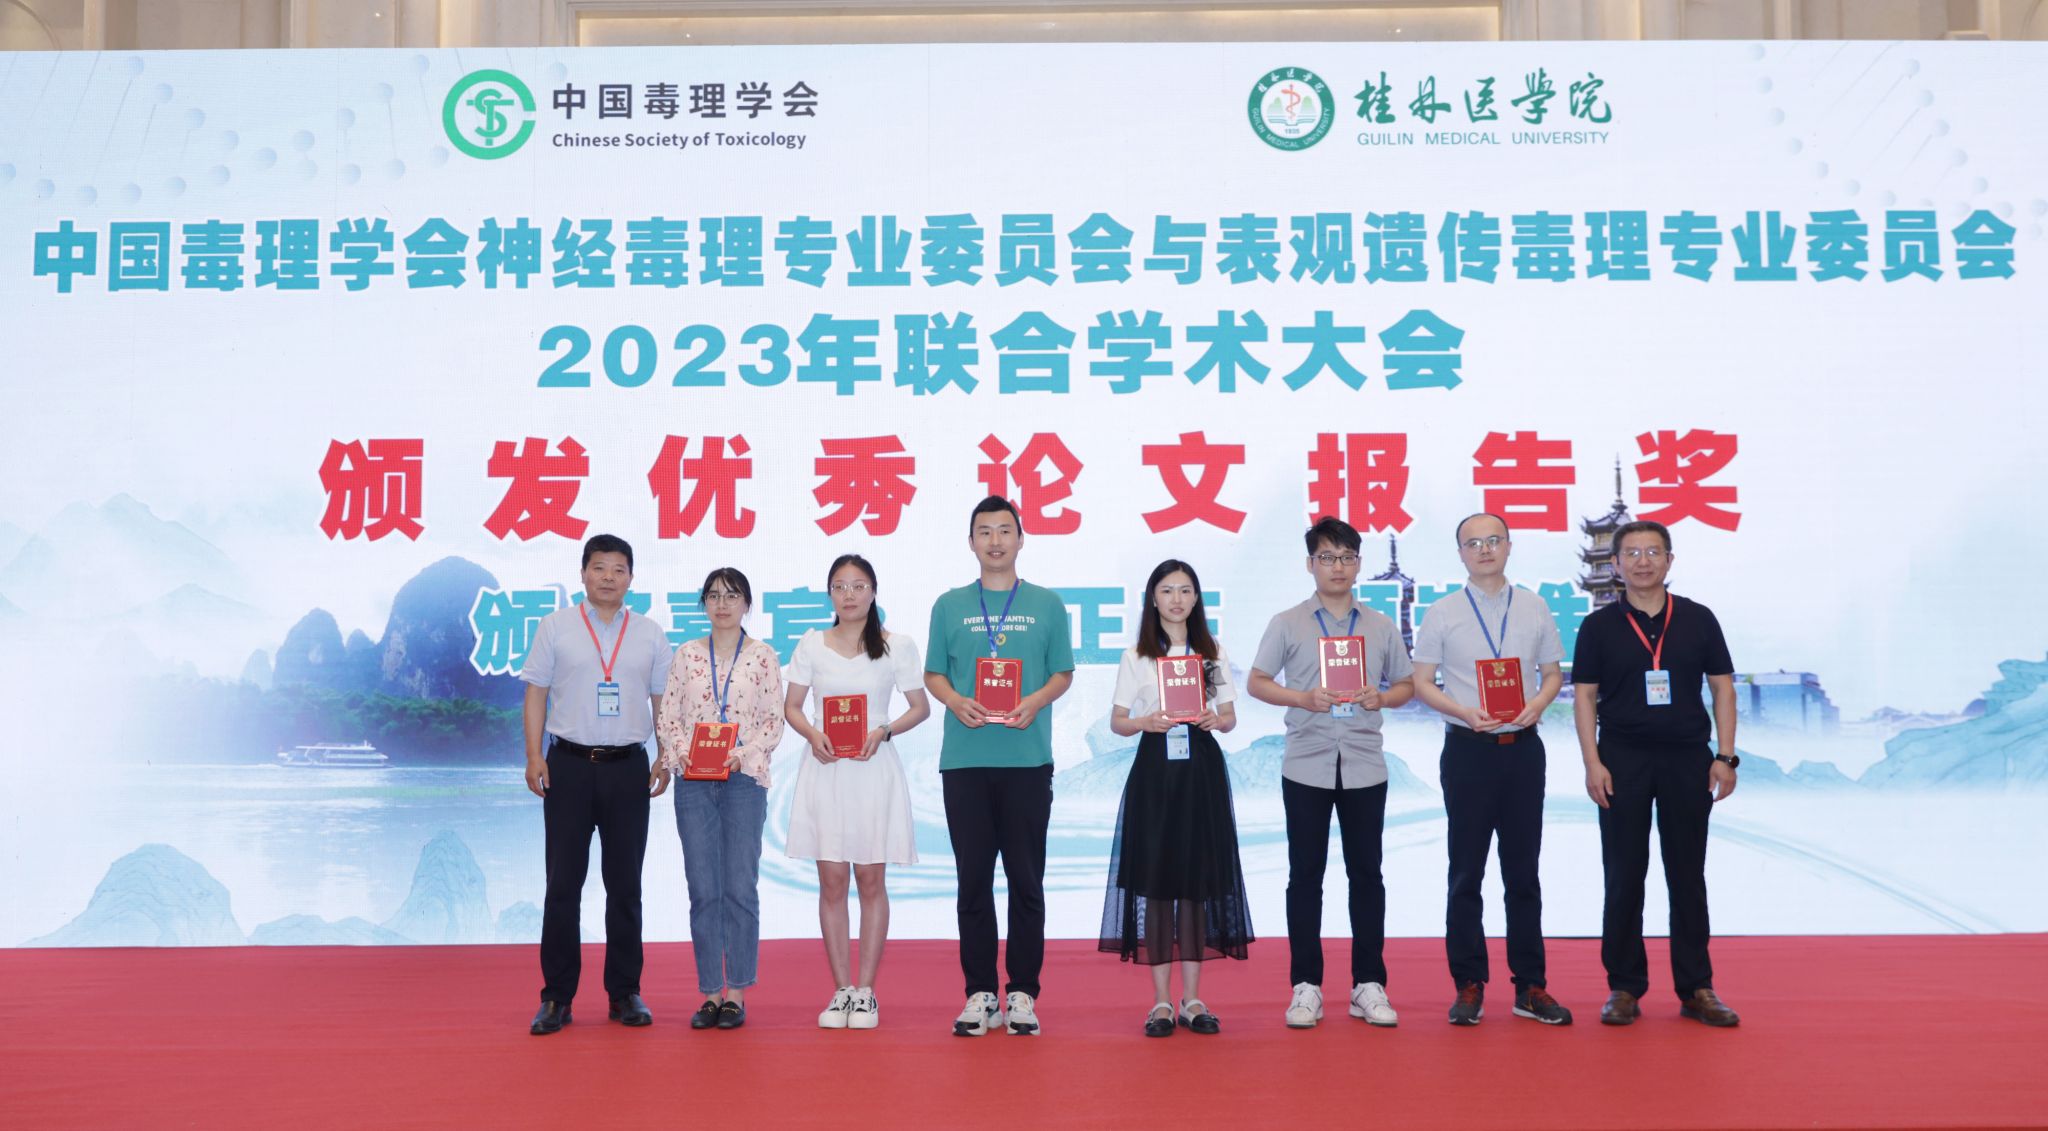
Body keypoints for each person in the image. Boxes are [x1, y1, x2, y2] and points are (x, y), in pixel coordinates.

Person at [1248, 516, 1416, 1030]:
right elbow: (1257, 681)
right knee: (1305, 877)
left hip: (1365, 762)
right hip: (1306, 763)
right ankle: (1306, 986)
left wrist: (1381, 697)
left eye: (1346, 557)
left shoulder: (1380, 626)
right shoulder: (1287, 622)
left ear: (1359, 564)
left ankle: (1368, 983)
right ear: (1310, 564)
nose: (1337, 567)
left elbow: (1406, 685)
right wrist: (1302, 698)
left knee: (1367, 875)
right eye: (1327, 557)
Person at [1572, 520, 1742, 1028]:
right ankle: (1624, 987)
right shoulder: (1598, 626)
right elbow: (1584, 697)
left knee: (1687, 873)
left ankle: (1697, 986)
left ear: (1669, 560)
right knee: (1624, 874)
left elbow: (1723, 688)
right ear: (1615, 564)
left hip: (1688, 758)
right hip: (1621, 759)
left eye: (1653, 552)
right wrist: (1592, 762)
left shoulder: (1698, 618)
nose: (1642, 561)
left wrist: (1726, 756)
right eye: (1632, 553)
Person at [1410, 514, 1571, 1027]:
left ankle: (1530, 986)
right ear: (1460, 553)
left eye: (1493, 540)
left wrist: (1537, 705)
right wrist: (1462, 710)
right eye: (1473, 543)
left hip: (1523, 750)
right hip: (1468, 751)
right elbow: (1422, 682)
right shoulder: (1442, 612)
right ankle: (1469, 983)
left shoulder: (1534, 606)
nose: (1484, 550)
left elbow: (1552, 673)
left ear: (1509, 546)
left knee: (1523, 873)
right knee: (1466, 872)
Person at [924, 496, 1075, 1036]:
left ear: (1020, 539)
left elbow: (1062, 672)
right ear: (971, 542)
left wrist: (1035, 700)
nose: (995, 541)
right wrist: (953, 700)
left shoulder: (1047, 604)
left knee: (1026, 881)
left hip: (1027, 760)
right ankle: (980, 993)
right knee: (972, 882)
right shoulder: (949, 605)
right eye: (984, 531)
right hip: (965, 761)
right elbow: (934, 673)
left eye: (1005, 530)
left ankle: (1023, 993)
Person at [521, 534, 675, 1036]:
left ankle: (625, 991)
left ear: (631, 577)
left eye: (618, 569)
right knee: (562, 886)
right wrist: (533, 756)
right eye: (599, 567)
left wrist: (665, 754)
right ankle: (556, 997)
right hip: (567, 765)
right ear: (583, 573)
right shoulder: (555, 627)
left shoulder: (650, 633)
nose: (609, 577)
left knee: (625, 886)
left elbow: (662, 702)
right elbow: (536, 695)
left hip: (628, 768)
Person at [1099, 559, 1252, 1037]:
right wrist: (1145, 722)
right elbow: (1118, 721)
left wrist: (1215, 719)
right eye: (1167, 590)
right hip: (1156, 771)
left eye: (1185, 590)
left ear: (1196, 598)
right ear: (1153, 598)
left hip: (1200, 771)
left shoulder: (1211, 652)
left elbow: (1230, 717)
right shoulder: (1137, 656)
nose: (1177, 599)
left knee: (1196, 885)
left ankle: (1194, 999)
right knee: (1158, 884)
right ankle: (1162, 1002)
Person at [782, 554, 932, 1030]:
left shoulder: (896, 646)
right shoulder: (812, 644)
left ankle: (866, 991)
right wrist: (813, 735)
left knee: (870, 879)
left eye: (859, 585)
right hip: (826, 767)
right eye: (840, 586)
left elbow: (920, 707)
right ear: (829, 594)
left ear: (873, 592)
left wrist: (884, 731)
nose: (849, 595)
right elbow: (792, 706)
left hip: (872, 768)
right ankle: (841, 989)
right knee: (831, 881)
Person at [656, 567, 786, 1031]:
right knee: (703, 887)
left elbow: (773, 721)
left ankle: (737, 994)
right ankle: (710, 992)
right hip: (694, 781)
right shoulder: (687, 655)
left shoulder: (763, 656)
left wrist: (741, 754)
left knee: (739, 887)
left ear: (747, 604)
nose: (722, 604)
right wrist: (681, 752)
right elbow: (668, 715)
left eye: (732, 596)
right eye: (713, 596)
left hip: (743, 780)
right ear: (703, 604)